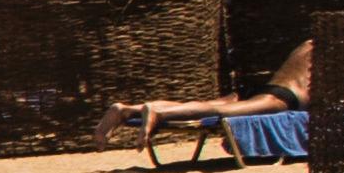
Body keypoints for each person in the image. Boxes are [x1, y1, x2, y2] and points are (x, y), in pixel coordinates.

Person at [105, 39, 314, 145]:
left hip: (265, 86)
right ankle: (161, 113)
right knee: (220, 110)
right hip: (285, 96)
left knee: (213, 103)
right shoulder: (332, 43)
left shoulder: (308, 44)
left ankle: (129, 110)